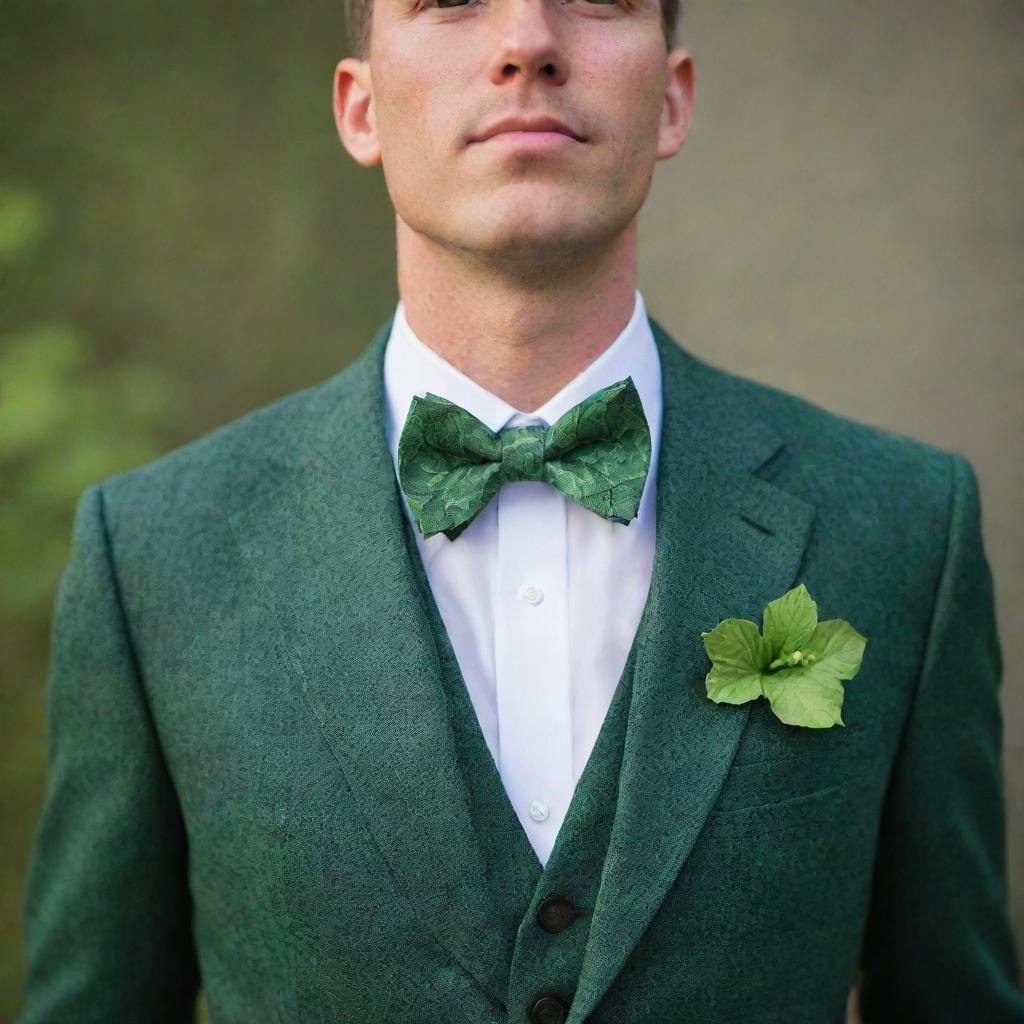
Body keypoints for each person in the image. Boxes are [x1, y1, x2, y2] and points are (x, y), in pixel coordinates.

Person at [16, 0, 1024, 1019]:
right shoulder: (154, 555)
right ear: (360, 110)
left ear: (672, 100)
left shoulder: (901, 527)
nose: (527, 41)